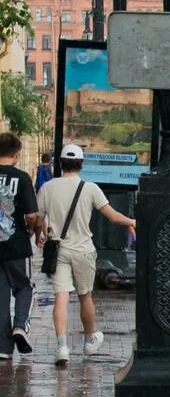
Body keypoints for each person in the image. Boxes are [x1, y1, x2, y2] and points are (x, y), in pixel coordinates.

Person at [36, 144, 136, 368]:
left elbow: (39, 218)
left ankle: (62, 346)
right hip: (83, 250)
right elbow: (112, 216)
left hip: (58, 248)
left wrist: (40, 234)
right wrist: (131, 222)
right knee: (85, 296)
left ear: (60, 163)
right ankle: (90, 338)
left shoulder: (47, 188)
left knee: (61, 296)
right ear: (81, 164)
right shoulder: (90, 188)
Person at [0, 134, 43, 361]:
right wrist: (33, 231)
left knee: (1, 295)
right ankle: (20, 326)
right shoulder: (22, 178)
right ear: (17, 155)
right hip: (16, 244)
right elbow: (31, 214)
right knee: (25, 287)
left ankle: (3, 348)